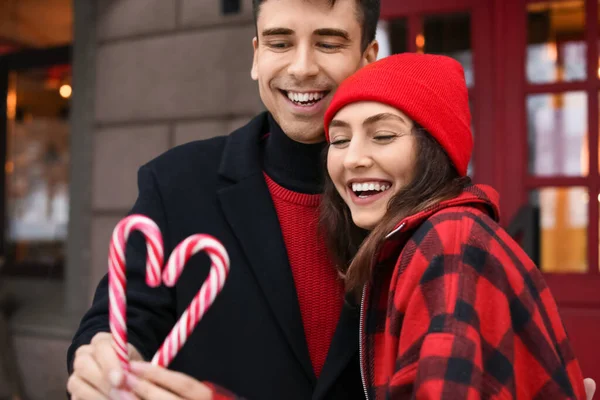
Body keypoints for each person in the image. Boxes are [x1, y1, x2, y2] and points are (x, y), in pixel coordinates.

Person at [67, 0, 379, 399]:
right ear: (256, 56)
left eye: (329, 44)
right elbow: (123, 319)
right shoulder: (176, 184)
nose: (302, 68)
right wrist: (103, 360)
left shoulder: (404, 199)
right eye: (280, 43)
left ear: (368, 57)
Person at [320, 53, 590, 399]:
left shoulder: (448, 241)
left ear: (435, 148)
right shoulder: (423, 238)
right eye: (339, 140)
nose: (353, 158)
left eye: (383, 135)